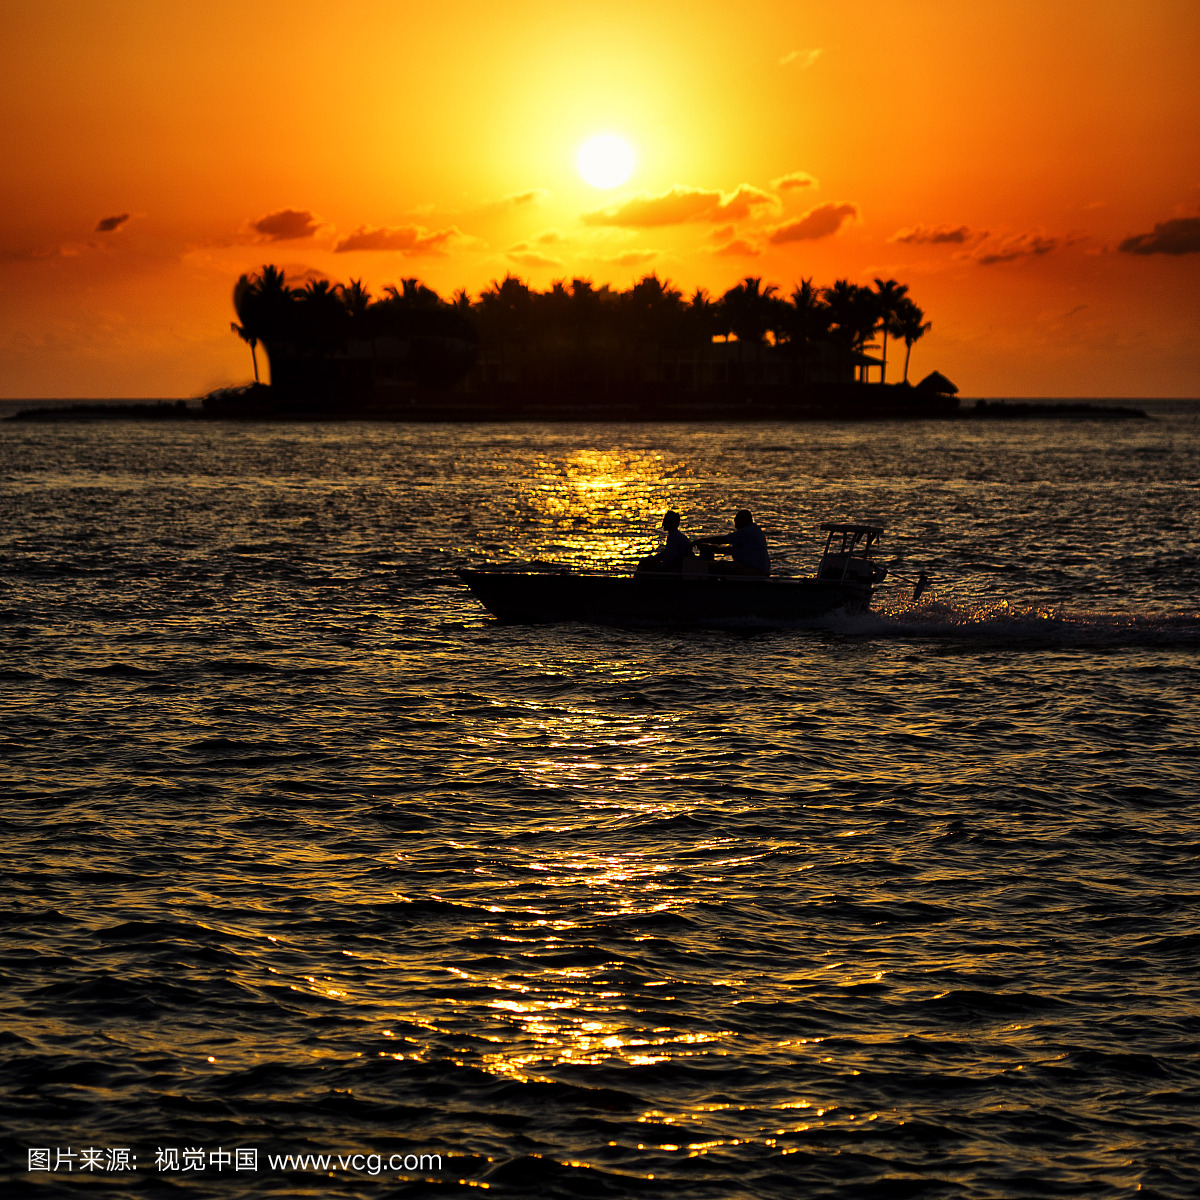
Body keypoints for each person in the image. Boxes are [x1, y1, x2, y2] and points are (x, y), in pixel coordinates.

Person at [694, 510, 770, 576]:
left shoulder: (746, 531)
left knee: (715, 567)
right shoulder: (754, 530)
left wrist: (701, 540)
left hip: (754, 571)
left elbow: (723, 540)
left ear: (743, 520)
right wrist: (710, 548)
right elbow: (731, 550)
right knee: (719, 564)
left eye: (737, 519)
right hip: (759, 570)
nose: (734, 521)